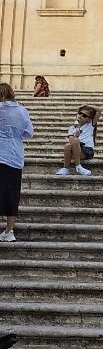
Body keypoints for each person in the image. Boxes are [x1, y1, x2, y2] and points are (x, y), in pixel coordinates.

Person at [0, 81, 35, 243]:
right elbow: (28, 133)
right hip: (15, 157)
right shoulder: (22, 111)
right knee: (12, 194)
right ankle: (9, 230)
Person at [58, 104, 97, 177]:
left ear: (89, 119)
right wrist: (76, 134)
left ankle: (78, 166)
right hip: (75, 148)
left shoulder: (90, 125)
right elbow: (70, 140)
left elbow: (99, 110)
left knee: (76, 141)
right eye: (80, 113)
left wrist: (86, 105)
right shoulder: (72, 128)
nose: (81, 116)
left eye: (84, 115)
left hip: (87, 150)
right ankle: (65, 168)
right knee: (67, 146)